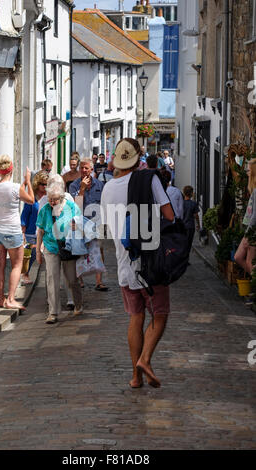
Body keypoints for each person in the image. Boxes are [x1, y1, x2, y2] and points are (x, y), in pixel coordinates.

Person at [101, 138, 174, 389]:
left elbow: (106, 226)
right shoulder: (149, 179)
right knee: (160, 315)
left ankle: (135, 377)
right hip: (150, 262)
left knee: (135, 317)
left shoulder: (107, 188)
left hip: (124, 262)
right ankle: (145, 360)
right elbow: (170, 215)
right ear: (138, 157)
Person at [0, 155, 34, 309]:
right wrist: (28, 181)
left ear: (0, 170)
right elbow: (31, 200)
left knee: (0, 264)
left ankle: (1, 298)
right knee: (16, 265)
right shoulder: (16, 187)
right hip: (12, 231)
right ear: (11, 169)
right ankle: (11, 299)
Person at [36, 182, 83, 323]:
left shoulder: (71, 207)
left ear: (62, 197)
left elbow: (81, 225)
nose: (52, 201)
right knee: (52, 279)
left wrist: (76, 227)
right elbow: (41, 231)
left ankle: (78, 304)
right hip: (51, 247)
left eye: (55, 199)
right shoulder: (45, 210)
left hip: (68, 247)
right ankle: (53, 313)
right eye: (50, 198)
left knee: (71, 279)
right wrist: (38, 250)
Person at [69, 157, 108, 291]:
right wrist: (82, 189)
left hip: (97, 221)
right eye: (82, 168)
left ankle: (99, 281)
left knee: (99, 249)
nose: (84, 170)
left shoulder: (99, 184)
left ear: (92, 169)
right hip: (81, 221)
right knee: (79, 249)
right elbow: (76, 205)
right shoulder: (74, 185)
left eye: (86, 168)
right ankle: (80, 279)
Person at [20, 171, 49, 285]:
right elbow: (25, 215)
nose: (45, 186)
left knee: (45, 255)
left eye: (47, 184)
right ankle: (25, 274)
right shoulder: (32, 198)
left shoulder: (49, 197)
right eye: (42, 184)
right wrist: (23, 232)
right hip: (31, 232)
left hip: (45, 231)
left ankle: (48, 279)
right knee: (31, 254)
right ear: (37, 183)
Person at [235, 158, 256, 274]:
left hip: (253, 232)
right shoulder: (253, 190)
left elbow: (255, 216)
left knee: (249, 262)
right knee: (238, 257)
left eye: (248, 170)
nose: (247, 172)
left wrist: (248, 234)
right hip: (250, 231)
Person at [182, 186, 200, 253]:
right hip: (190, 226)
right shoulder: (193, 204)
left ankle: (182, 259)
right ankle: (186, 259)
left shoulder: (181, 203)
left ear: (184, 193)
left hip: (182, 226)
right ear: (191, 193)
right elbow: (196, 215)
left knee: (182, 243)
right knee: (189, 244)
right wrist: (198, 224)